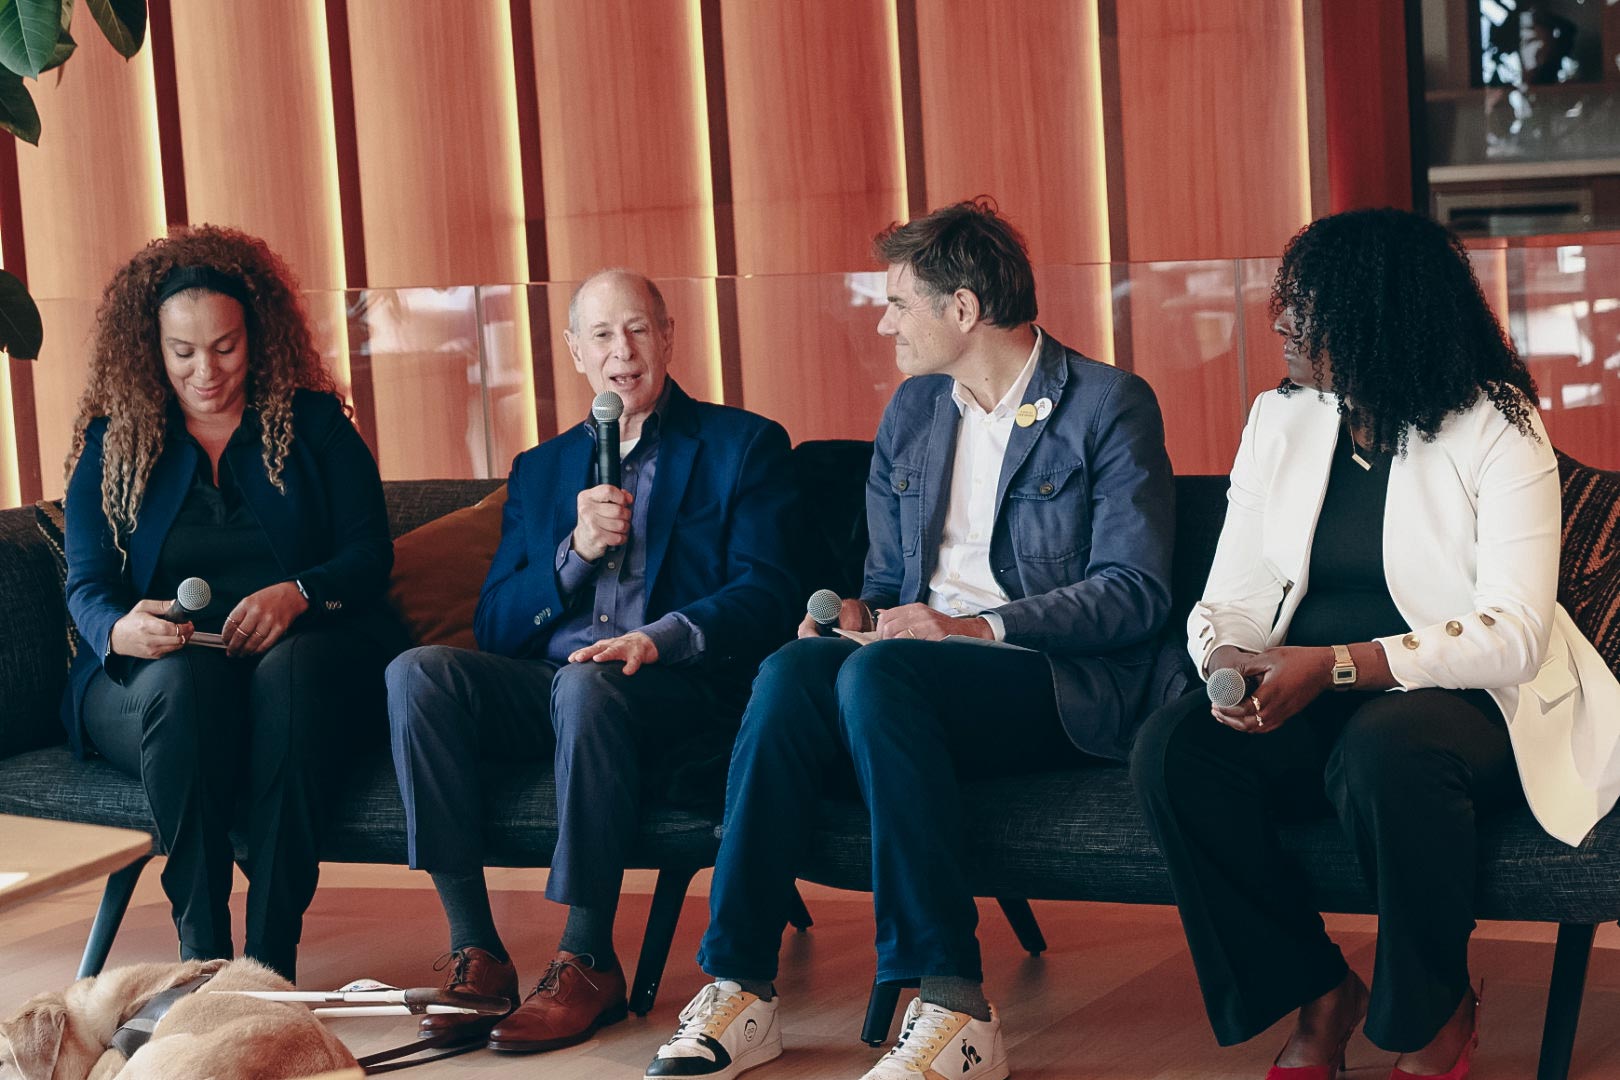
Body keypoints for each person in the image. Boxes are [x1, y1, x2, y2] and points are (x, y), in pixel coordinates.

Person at [645, 199, 1176, 1080]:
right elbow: (892, 589)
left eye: (898, 303)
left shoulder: (1107, 406)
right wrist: (851, 617)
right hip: (908, 672)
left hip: (1054, 679)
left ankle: (954, 1006)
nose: (883, 322)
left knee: (882, 678)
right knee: (791, 669)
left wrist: (970, 627)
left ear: (963, 310)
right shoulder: (916, 412)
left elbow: (1136, 593)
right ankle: (739, 986)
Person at [1130, 208, 1620, 1080]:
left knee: (1386, 747)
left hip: (1473, 701)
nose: (1281, 322)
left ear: (1380, 316)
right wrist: (1228, 662)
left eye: (1308, 309)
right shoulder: (1281, 420)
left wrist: (1337, 666)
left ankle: (1432, 1015)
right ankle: (1321, 991)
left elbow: (1514, 632)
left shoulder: (1497, 424)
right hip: (1307, 686)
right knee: (1176, 749)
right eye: (1287, 302)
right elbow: (1229, 595)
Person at [386, 268, 799, 1053]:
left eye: (639, 329)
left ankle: (586, 957)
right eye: (603, 335)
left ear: (669, 337)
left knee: (589, 685)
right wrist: (572, 554)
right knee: (418, 673)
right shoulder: (542, 469)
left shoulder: (742, 445)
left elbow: (768, 591)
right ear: (576, 353)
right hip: (547, 684)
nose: (623, 350)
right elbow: (497, 625)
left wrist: (662, 635)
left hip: (667, 685)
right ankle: (475, 949)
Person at [62, 225, 403, 982]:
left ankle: (269, 958)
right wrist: (121, 629)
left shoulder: (313, 426)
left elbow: (368, 555)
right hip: (162, 675)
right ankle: (203, 958)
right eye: (182, 351)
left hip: (304, 658)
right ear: (150, 347)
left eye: (224, 346)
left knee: (290, 675)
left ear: (258, 335)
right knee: (185, 688)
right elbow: (85, 586)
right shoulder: (113, 441)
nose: (205, 370)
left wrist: (299, 593)